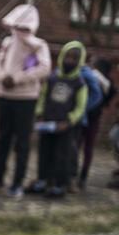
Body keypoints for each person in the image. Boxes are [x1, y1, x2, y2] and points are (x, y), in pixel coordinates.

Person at [0, 4, 51, 198]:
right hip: (5, 97)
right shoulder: (7, 42)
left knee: (22, 143)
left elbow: (44, 68)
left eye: (23, 26)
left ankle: (17, 183)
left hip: (26, 99)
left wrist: (18, 78)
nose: (19, 30)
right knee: (3, 139)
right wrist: (1, 77)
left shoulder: (38, 45)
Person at [26, 41, 88, 198]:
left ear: (79, 61)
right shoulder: (52, 78)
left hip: (65, 126)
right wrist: (39, 114)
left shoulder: (80, 83)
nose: (70, 61)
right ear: (62, 56)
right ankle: (42, 181)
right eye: (68, 56)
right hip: (47, 122)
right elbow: (43, 96)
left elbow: (81, 107)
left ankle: (60, 185)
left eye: (74, 58)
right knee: (44, 152)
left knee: (63, 155)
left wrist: (69, 121)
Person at [75, 57, 115, 189]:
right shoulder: (108, 83)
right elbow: (107, 102)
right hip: (94, 118)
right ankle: (82, 177)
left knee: (78, 144)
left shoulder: (90, 77)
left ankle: (74, 174)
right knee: (88, 147)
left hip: (84, 115)